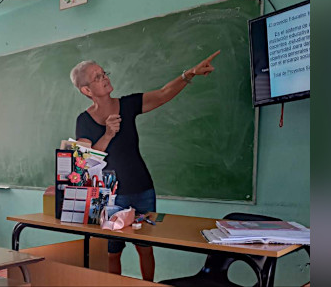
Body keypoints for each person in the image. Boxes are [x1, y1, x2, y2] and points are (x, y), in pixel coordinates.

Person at [69, 50, 220, 281]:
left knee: (146, 246)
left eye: (103, 73)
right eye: (97, 77)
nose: (105, 78)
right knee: (112, 252)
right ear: (86, 90)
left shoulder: (127, 105)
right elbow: (85, 163)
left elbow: (162, 94)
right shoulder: (84, 120)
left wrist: (189, 74)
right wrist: (108, 134)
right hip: (110, 196)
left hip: (142, 188)